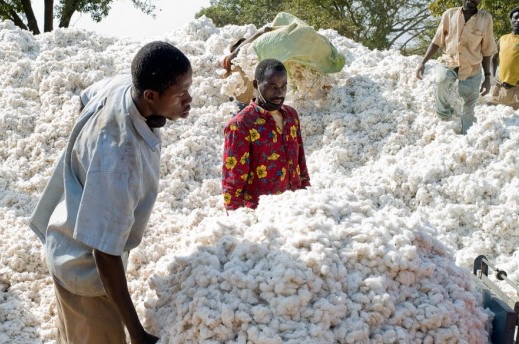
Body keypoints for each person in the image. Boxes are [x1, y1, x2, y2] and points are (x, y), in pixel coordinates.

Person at [29, 41, 193, 344]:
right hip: (85, 274)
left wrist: (86, 153)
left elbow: (85, 97)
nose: (189, 99)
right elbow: (104, 254)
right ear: (151, 96)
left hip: (65, 237)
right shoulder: (120, 160)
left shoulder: (122, 86)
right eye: (181, 94)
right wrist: (137, 333)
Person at [222, 59, 310, 211]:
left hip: (295, 210)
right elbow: (233, 180)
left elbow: (300, 163)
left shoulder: (291, 116)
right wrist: (236, 221)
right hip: (261, 216)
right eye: (272, 86)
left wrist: (307, 196)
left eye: (283, 86)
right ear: (256, 85)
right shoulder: (241, 125)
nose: (279, 93)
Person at [222, 12, 346, 110]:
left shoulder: (248, 52)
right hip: (251, 102)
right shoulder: (261, 48)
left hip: (254, 102)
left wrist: (235, 52)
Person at [416, 0, 497, 135]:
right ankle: (444, 114)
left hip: (472, 67)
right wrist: (422, 63)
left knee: (469, 102)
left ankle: (467, 135)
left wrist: (488, 77)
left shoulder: (485, 19)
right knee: (441, 80)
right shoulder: (449, 14)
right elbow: (436, 41)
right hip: (449, 61)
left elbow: (487, 50)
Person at [488, 7, 519, 110]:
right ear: (511, 20)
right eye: (516, 17)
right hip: (500, 90)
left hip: (517, 92)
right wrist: (492, 77)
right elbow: (493, 58)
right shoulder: (503, 39)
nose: (518, 20)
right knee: (491, 120)